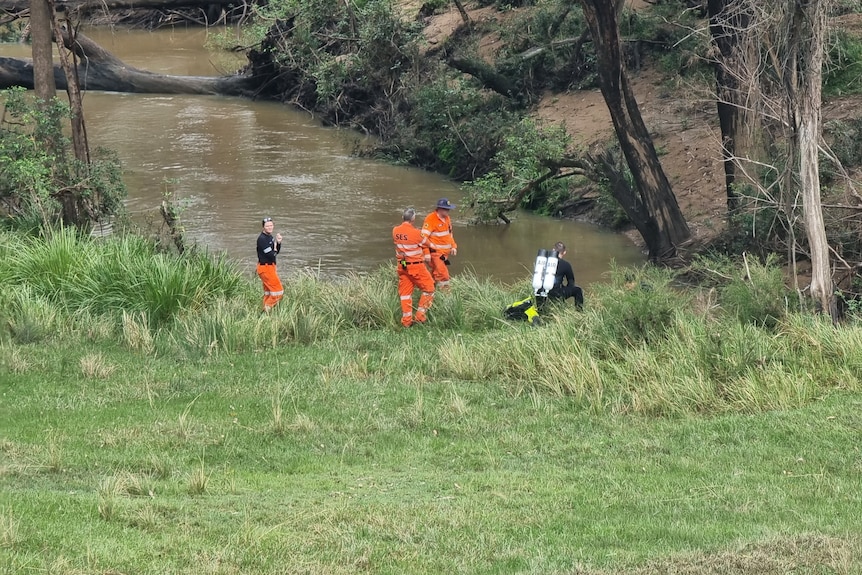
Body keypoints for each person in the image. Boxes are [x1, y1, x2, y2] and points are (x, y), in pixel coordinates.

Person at [393, 208, 435, 328]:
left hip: (403, 265)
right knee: (429, 289)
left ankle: (406, 321)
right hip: (416, 266)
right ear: (413, 219)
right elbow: (428, 244)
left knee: (405, 294)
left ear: (402, 218)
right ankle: (420, 317)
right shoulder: (417, 233)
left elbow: (403, 249)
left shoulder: (395, 230)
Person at [421, 198, 458, 291]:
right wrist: (426, 253)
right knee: (443, 275)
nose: (448, 211)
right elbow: (423, 238)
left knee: (435, 273)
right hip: (435, 253)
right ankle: (446, 296)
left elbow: (449, 234)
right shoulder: (430, 219)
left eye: (448, 209)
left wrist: (453, 246)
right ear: (440, 209)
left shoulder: (447, 218)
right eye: (446, 209)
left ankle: (430, 291)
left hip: (444, 254)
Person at [256, 217, 284, 312]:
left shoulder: (270, 237)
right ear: (263, 227)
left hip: (269, 266)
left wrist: (278, 243)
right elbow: (271, 255)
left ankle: (264, 311)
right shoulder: (262, 239)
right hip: (265, 268)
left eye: (271, 225)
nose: (270, 227)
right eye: (267, 226)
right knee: (278, 292)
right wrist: (275, 249)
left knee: (269, 292)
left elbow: (275, 253)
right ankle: (265, 311)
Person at [547, 241, 584, 308]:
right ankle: (579, 312)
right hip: (556, 293)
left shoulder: (544, 261)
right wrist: (564, 292)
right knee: (578, 290)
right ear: (564, 252)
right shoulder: (566, 264)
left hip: (541, 291)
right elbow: (571, 282)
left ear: (553, 250)